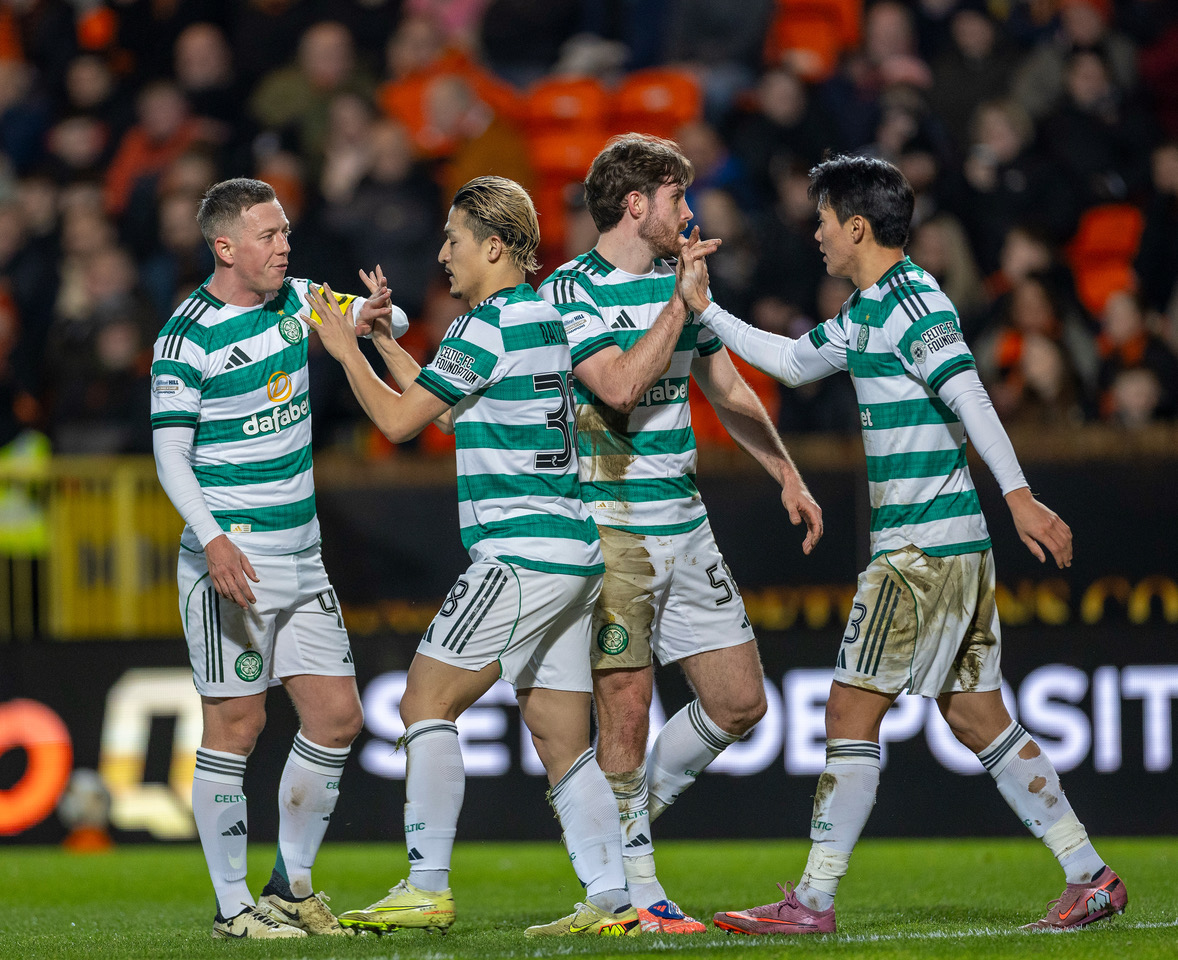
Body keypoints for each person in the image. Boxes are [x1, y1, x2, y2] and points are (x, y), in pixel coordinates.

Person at [687, 154, 1126, 934]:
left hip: (921, 551)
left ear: (856, 227)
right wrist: (705, 310)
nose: (816, 234)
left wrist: (1020, 495)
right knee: (977, 718)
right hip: (947, 545)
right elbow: (790, 362)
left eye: (823, 221)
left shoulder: (913, 303)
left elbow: (970, 395)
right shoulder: (869, 310)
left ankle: (812, 902)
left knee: (850, 711)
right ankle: (1090, 876)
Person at [307, 176, 644, 938]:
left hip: (519, 553)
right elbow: (456, 403)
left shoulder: (485, 325)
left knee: (424, 703)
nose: (441, 255)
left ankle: (426, 885)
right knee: (561, 739)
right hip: (572, 552)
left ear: (494, 247)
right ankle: (611, 898)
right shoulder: (541, 318)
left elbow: (399, 423)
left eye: (453, 240)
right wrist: (385, 343)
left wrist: (341, 348)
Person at [537, 133, 823, 934]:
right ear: (637, 204)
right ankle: (640, 891)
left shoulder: (676, 283)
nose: (689, 213)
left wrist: (786, 474)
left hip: (686, 520)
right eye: (676, 198)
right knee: (624, 708)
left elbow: (725, 386)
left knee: (739, 705)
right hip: (610, 524)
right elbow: (621, 389)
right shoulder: (568, 293)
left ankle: (618, 824)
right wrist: (682, 303)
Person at [149, 177, 402, 939]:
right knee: (236, 726)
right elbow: (169, 454)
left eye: (286, 230)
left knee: (336, 716)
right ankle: (233, 912)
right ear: (225, 247)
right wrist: (214, 538)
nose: (284, 245)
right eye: (267, 234)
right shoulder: (186, 335)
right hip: (234, 560)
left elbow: (367, 319)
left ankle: (290, 888)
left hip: (302, 553)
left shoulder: (297, 298)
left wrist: (380, 314)